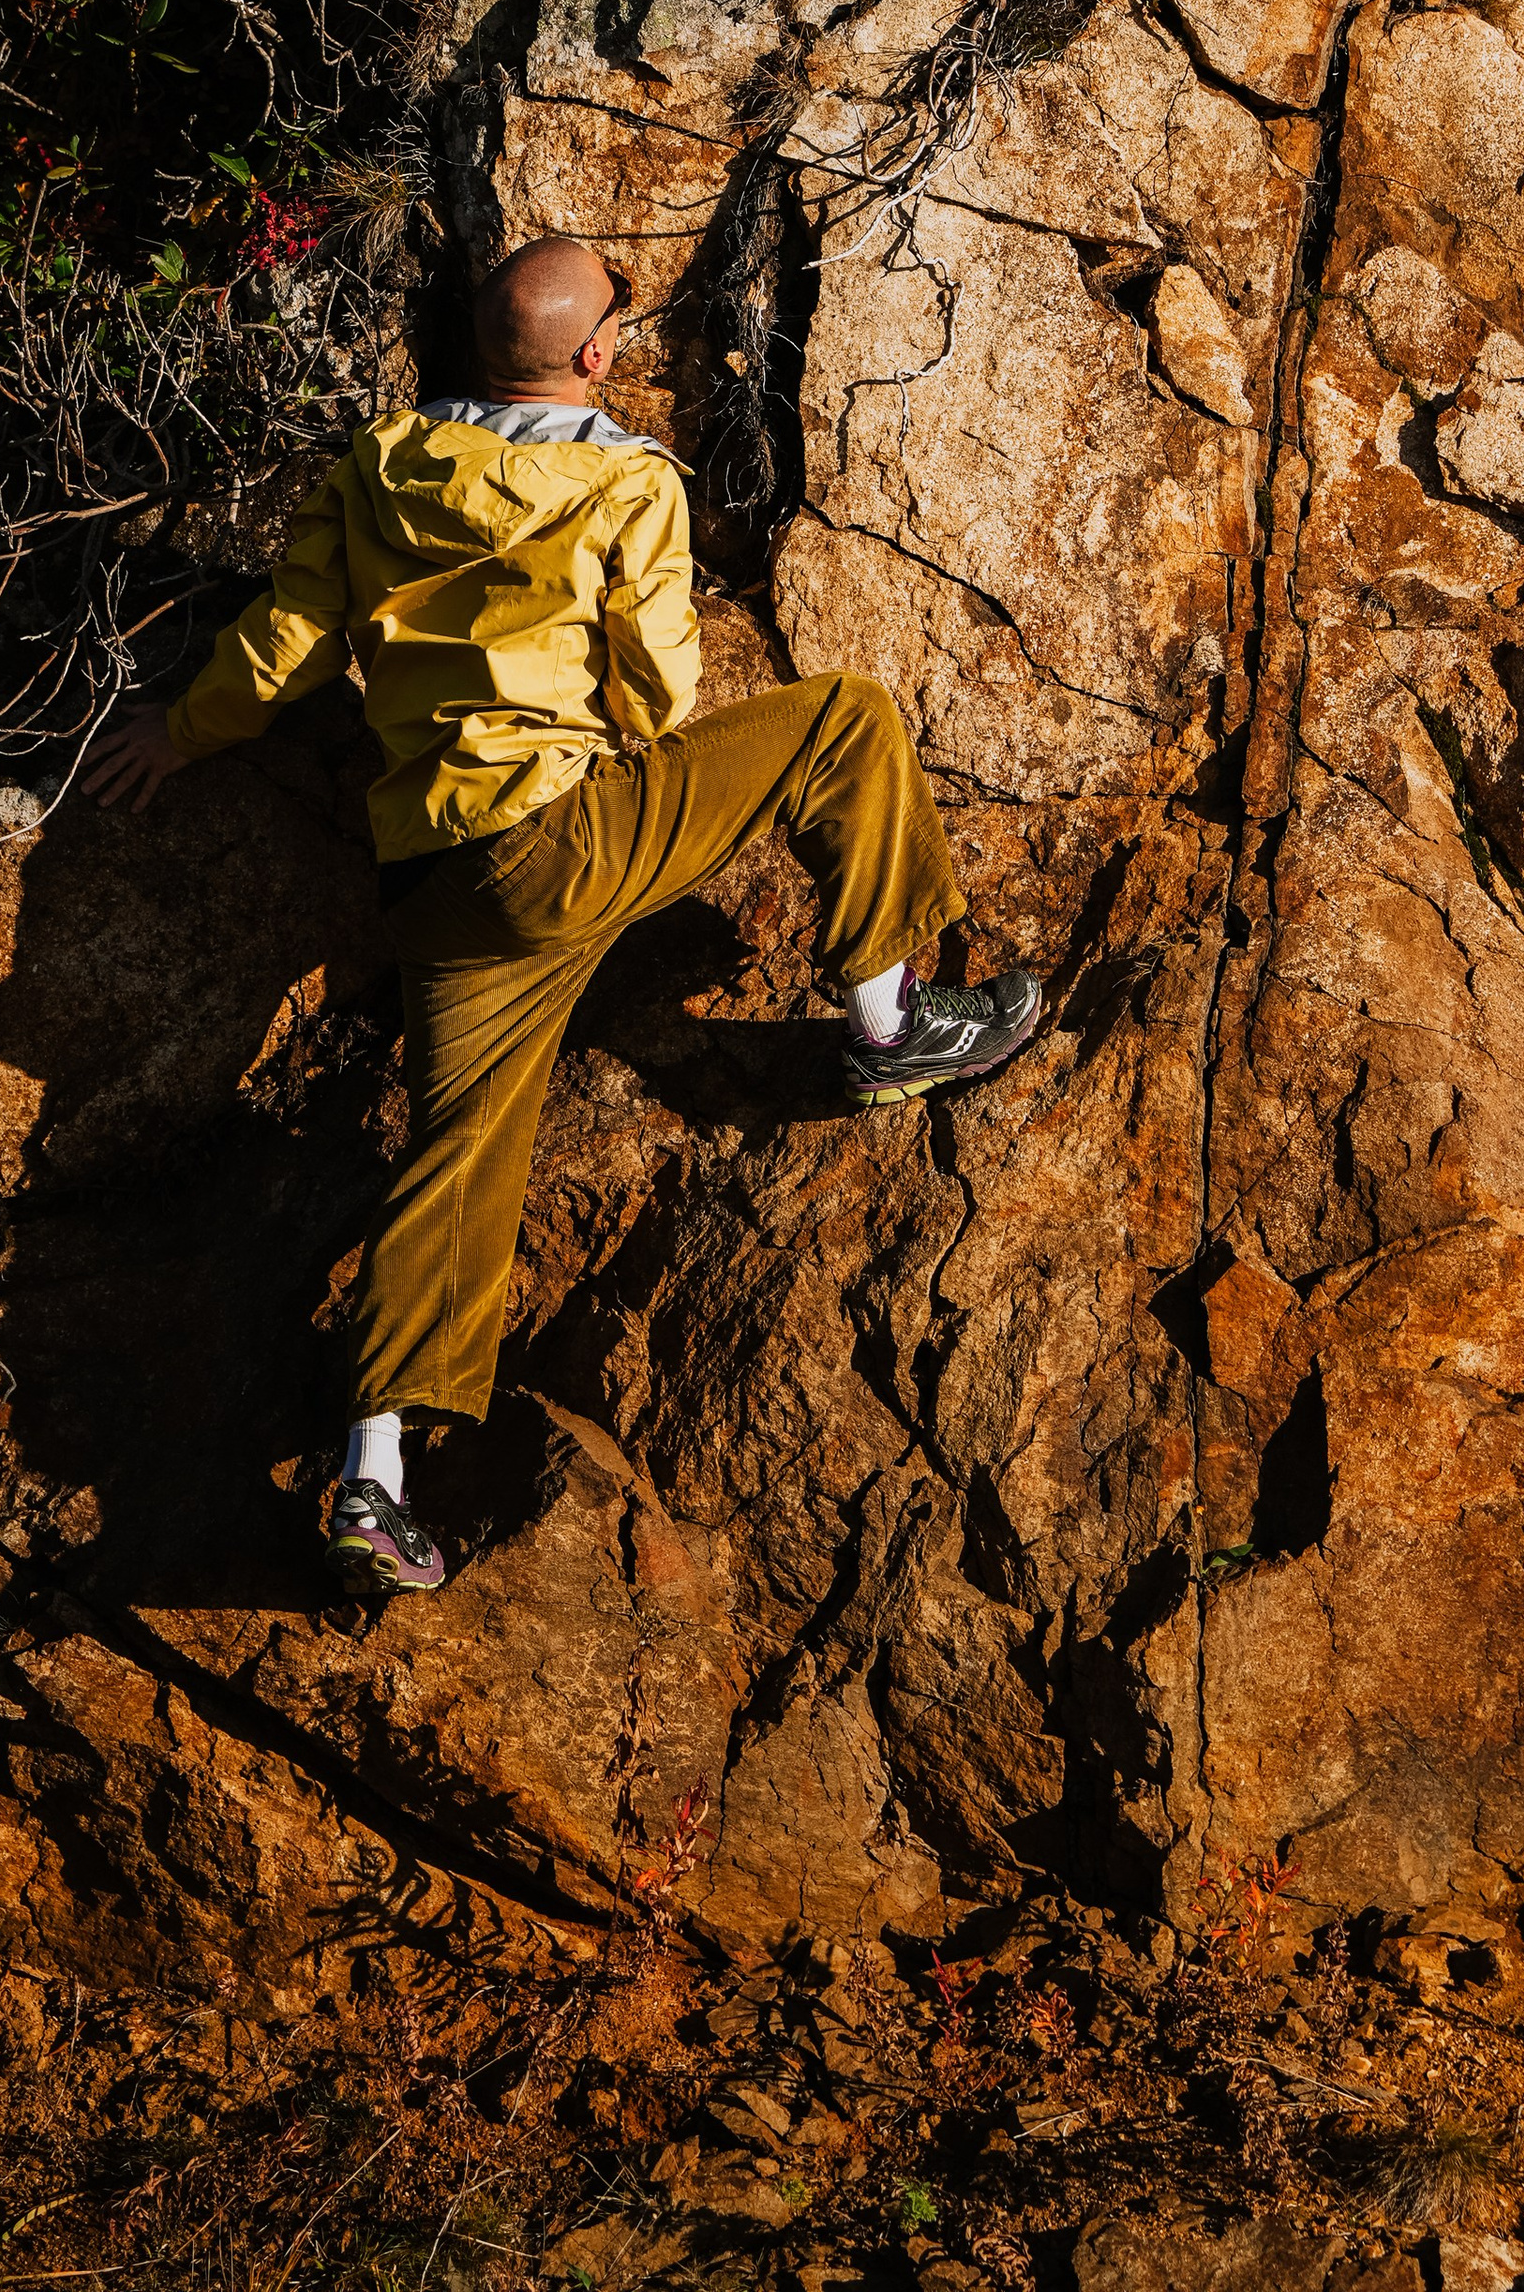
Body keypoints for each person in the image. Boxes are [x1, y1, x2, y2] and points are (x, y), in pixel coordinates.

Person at [86, 234, 1043, 1599]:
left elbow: (288, 643)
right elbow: (655, 695)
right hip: (566, 836)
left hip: (436, 880)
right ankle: (891, 1022)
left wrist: (180, 736)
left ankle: (373, 1475)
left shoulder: (375, 464)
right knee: (845, 720)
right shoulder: (623, 478)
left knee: (459, 1151)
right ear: (597, 356)